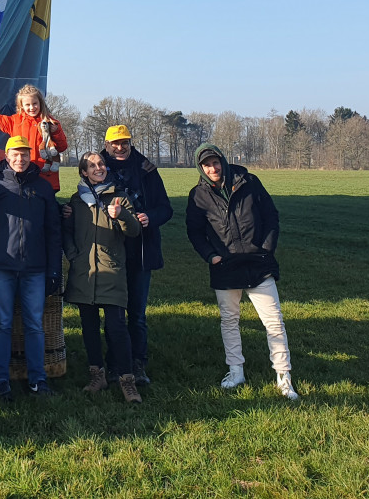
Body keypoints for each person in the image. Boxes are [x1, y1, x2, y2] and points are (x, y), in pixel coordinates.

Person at [186, 143, 299, 401]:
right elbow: (194, 231)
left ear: (223, 161)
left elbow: (271, 216)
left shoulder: (249, 182)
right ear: (200, 168)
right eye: (206, 165)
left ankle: (284, 377)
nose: (212, 168)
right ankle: (236, 371)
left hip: (258, 264)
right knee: (229, 321)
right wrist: (211, 256)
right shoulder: (198, 195)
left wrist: (266, 249)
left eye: (215, 162)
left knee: (274, 322)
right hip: (225, 267)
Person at [0, 136, 62, 401]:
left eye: (24, 154)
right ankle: (1, 380)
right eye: (15, 154)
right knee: (2, 323)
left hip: (36, 268)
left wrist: (54, 269)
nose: (19, 159)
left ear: (30, 156)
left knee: (34, 324)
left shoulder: (43, 187)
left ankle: (38, 380)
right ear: (7, 156)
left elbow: (53, 230)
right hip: (1, 267)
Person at [63, 152, 142, 403]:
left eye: (101, 164)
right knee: (89, 328)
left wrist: (122, 215)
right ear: (83, 172)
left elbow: (134, 231)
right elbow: (66, 232)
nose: (99, 168)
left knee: (117, 327)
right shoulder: (76, 202)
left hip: (112, 271)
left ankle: (127, 380)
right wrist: (74, 255)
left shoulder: (120, 197)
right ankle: (97, 375)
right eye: (92, 166)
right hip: (83, 273)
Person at [100, 124, 173, 384]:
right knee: (113, 313)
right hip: (110, 252)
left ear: (131, 143)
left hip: (141, 250)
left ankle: (138, 363)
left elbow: (166, 208)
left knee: (137, 313)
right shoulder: (98, 168)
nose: (120, 148)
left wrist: (150, 217)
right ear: (107, 145)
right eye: (115, 144)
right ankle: (114, 363)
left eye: (125, 143)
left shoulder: (146, 169)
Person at [0, 83, 69, 193]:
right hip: (22, 175)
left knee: (45, 203)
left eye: (34, 103)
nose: (32, 108)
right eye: (27, 105)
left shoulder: (50, 123)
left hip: (45, 176)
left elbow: (62, 147)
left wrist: (56, 132)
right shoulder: (14, 122)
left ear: (40, 103)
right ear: (22, 106)